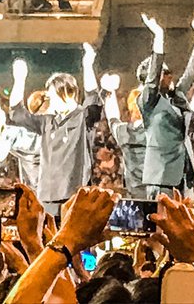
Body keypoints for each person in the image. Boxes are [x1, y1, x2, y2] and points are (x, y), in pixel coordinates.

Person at [9, 42, 102, 214]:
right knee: (48, 239)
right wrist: (19, 79)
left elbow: (93, 99)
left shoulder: (83, 117)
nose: (51, 100)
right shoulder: (48, 121)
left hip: (74, 194)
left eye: (54, 96)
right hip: (47, 194)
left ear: (67, 93)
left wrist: (87, 65)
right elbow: (17, 114)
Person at [138, 14, 194, 197]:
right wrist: (159, 38)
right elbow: (152, 79)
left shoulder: (175, 96)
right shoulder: (148, 101)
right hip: (161, 177)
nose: (170, 76)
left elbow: (190, 73)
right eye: (165, 73)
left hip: (183, 173)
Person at [101, 73, 148, 198]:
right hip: (159, 192)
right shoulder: (158, 131)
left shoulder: (123, 131)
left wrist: (110, 92)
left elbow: (112, 117)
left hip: (134, 193)